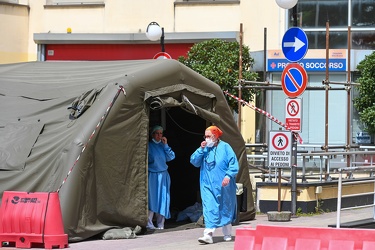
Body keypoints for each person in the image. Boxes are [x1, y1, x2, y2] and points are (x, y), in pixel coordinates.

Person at [190, 125, 239, 244]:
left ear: (215, 136)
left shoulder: (226, 147)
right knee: (209, 207)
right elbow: (194, 161)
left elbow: (233, 163)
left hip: (224, 186)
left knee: (225, 208)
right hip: (207, 185)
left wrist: (228, 176)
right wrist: (201, 150)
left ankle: (227, 233)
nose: (206, 139)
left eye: (208, 136)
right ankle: (208, 234)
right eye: (205, 136)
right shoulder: (204, 149)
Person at [147, 125, 176, 230]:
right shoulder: (148, 146)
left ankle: (161, 224)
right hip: (152, 175)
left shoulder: (163, 146)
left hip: (163, 175)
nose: (159, 136)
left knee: (163, 198)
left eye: (161, 133)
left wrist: (166, 145)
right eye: (157, 133)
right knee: (152, 199)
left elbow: (171, 157)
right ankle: (149, 223)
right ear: (152, 134)